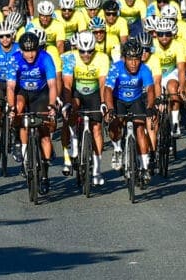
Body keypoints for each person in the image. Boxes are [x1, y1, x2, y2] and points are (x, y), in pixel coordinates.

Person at [7, 31, 58, 195]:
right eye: (26, 51)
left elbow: (52, 85)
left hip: (41, 93)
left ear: (38, 49)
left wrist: (51, 106)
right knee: (19, 109)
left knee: (44, 132)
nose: (30, 55)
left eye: (33, 50)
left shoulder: (45, 58)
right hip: (23, 92)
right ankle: (19, 143)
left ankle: (44, 174)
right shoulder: (14, 59)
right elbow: (10, 87)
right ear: (21, 50)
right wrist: (11, 108)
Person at [104, 39, 156, 186]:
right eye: (130, 59)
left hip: (136, 100)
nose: (134, 63)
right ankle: (117, 149)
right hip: (118, 100)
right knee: (115, 124)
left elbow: (151, 90)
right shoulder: (116, 68)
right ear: (124, 58)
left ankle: (144, 166)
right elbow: (107, 89)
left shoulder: (144, 70)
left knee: (140, 129)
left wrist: (151, 106)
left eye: (137, 59)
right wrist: (110, 108)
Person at [61, 30, 109, 186]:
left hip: (94, 93)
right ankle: (74, 140)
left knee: (96, 129)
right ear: (77, 49)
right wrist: (67, 103)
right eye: (82, 51)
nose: (86, 55)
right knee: (72, 111)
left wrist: (103, 102)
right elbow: (67, 83)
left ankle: (97, 168)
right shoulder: (70, 57)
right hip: (77, 92)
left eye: (90, 51)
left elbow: (103, 83)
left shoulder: (102, 58)